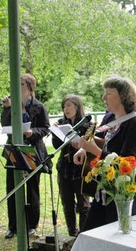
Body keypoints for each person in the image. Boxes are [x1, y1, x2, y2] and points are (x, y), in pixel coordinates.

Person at [74, 75, 136, 231]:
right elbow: (101, 139)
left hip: (128, 193)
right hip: (105, 189)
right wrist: (84, 147)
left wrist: (93, 150)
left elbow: (126, 163)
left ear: (123, 96)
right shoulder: (110, 117)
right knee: (90, 233)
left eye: (108, 93)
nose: (104, 97)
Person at [0, 73, 50, 239]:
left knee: (32, 189)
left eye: (21, 84)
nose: (17, 87)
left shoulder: (39, 107)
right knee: (12, 187)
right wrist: (7, 108)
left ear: (29, 88)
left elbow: (45, 128)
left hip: (32, 151)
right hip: (14, 151)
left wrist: (31, 132)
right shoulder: (11, 105)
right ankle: (13, 226)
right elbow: (4, 124)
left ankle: (31, 224)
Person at [51, 95, 91, 237]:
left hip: (81, 169)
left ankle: (83, 234)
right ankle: (72, 233)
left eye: (69, 105)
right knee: (67, 203)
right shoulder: (62, 123)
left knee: (83, 204)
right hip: (65, 168)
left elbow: (91, 146)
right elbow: (56, 146)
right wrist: (55, 132)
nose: (65, 109)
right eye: (64, 106)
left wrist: (80, 144)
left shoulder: (87, 124)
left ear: (77, 106)